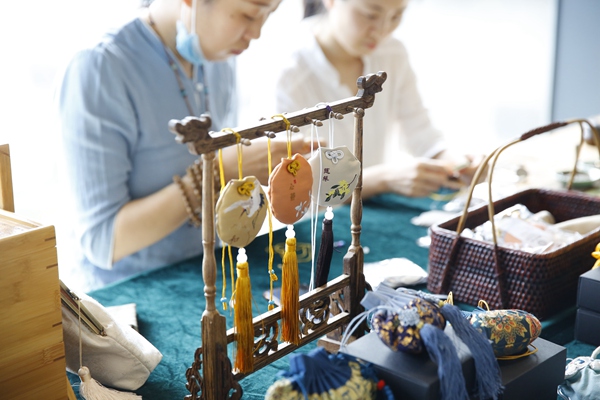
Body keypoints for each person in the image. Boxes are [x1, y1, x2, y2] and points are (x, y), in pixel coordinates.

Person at [57, 0, 311, 291]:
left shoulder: (218, 57)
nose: (256, 33)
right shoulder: (100, 68)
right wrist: (217, 172)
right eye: (249, 15)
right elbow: (103, 241)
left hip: (207, 271)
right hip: (127, 291)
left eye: (269, 15)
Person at [274, 0, 482, 199]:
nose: (382, 30)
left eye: (396, 16)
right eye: (371, 15)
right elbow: (298, 182)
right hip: (315, 218)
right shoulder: (290, 71)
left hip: (372, 206)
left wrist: (458, 163)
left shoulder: (392, 53)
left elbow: (421, 133)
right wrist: (384, 178)